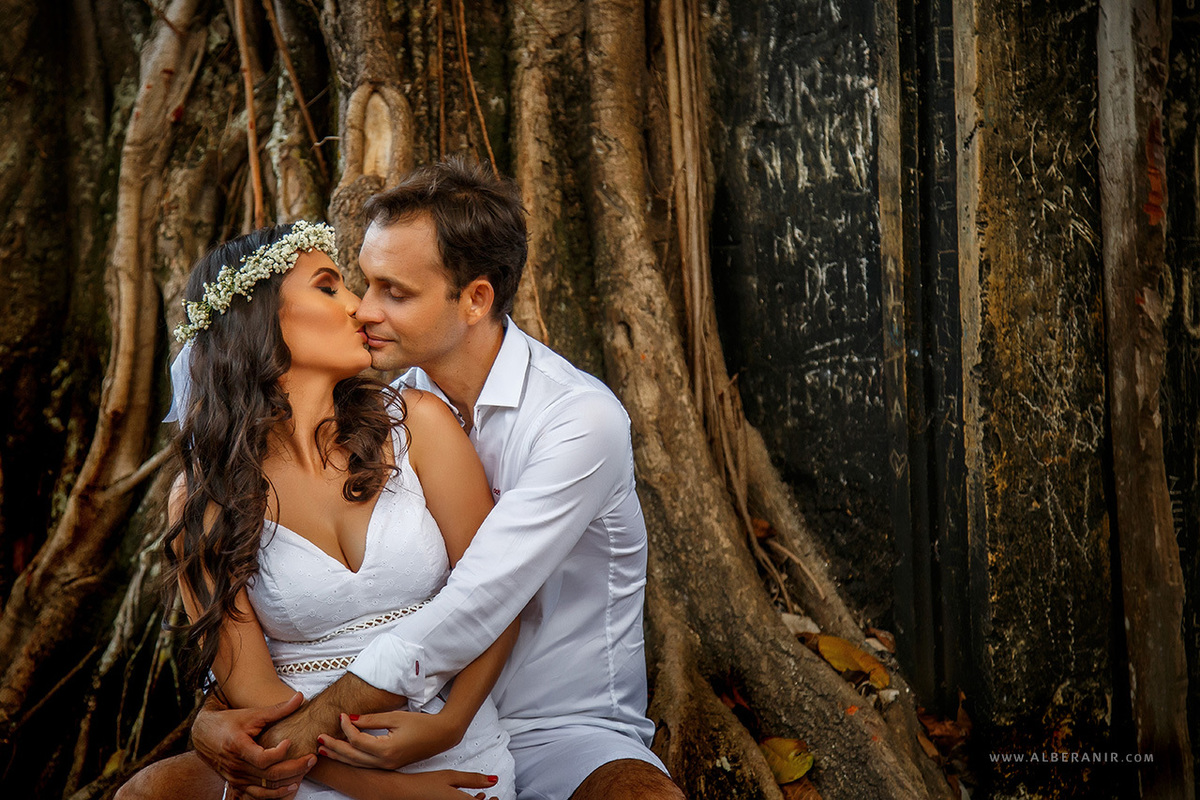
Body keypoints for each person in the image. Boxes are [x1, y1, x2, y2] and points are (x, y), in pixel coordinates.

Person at [121, 159, 684, 800]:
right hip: (344, 742)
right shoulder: (395, 404)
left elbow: (479, 601)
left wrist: (442, 725)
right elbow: (242, 650)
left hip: (553, 723)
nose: (364, 308)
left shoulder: (574, 421)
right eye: (354, 284)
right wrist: (216, 717)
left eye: (396, 291)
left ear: (475, 299)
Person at [148, 220, 518, 800]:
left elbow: (498, 591)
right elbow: (257, 700)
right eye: (329, 287)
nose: (360, 308)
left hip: (450, 746)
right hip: (303, 771)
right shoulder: (205, 499)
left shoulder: (418, 424)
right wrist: (394, 794)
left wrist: (454, 723)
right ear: (260, 321)